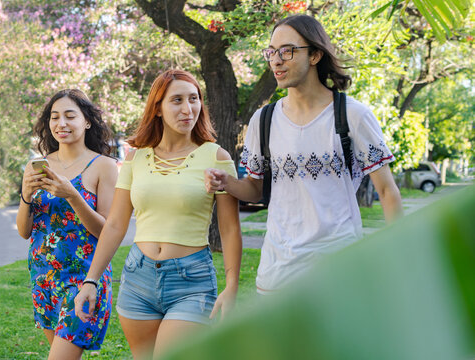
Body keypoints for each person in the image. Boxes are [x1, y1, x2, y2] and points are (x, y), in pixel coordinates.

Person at [204, 14, 403, 295]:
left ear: (315, 55)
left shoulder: (352, 115)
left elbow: (387, 191)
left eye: (287, 51)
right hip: (277, 274)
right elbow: (255, 188)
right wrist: (227, 183)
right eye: (271, 52)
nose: (275, 60)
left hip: (339, 275)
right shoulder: (264, 119)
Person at [74, 69, 242, 359]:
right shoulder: (135, 157)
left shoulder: (216, 157)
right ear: (158, 109)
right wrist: (91, 280)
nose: (188, 108)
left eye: (194, 99)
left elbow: (229, 230)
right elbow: (115, 224)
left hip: (192, 281)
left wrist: (232, 286)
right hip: (138, 278)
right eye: (176, 100)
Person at [16, 89, 118, 359]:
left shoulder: (104, 166)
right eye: (55, 117)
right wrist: (26, 195)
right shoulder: (39, 165)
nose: (61, 124)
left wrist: (72, 195)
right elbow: (24, 232)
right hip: (44, 278)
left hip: (84, 280)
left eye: (70, 116)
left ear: (86, 121)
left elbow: (107, 230)